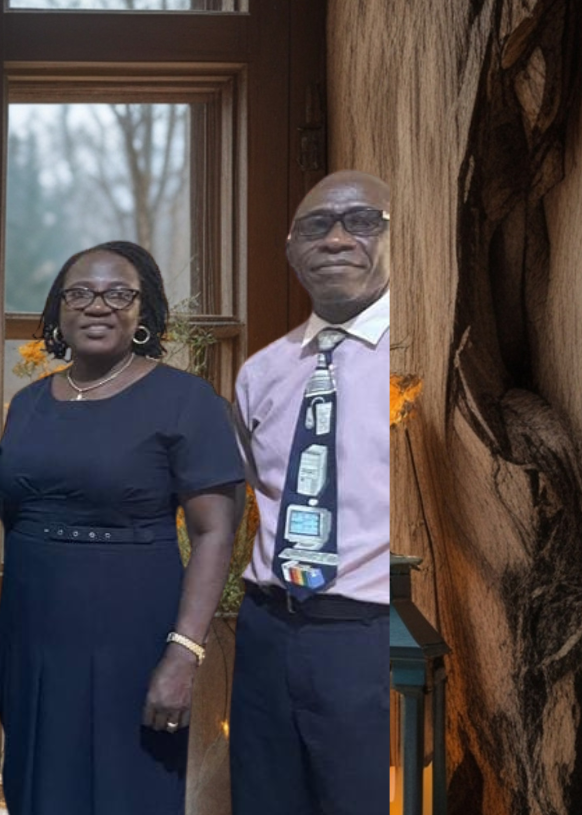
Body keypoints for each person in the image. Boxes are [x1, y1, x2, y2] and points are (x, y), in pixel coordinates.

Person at [0, 241, 245, 815]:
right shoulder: (28, 404)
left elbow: (214, 534)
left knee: (127, 791)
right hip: (32, 638)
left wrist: (184, 654)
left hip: (133, 635)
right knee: (38, 790)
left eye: (118, 294)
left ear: (143, 311)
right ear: (58, 310)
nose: (97, 306)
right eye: (80, 293)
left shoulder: (186, 401)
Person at [230, 170, 391, 815]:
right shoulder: (261, 373)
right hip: (267, 629)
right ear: (291, 250)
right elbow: (254, 489)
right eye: (316, 226)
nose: (337, 239)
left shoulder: (422, 358)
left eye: (363, 221)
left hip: (368, 634)